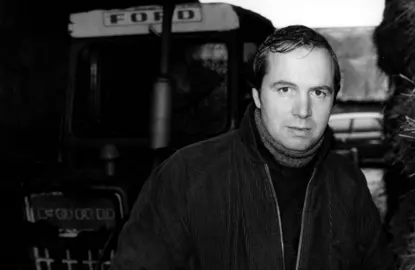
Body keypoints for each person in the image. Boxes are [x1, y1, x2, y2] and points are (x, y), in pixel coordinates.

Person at [111, 25, 396, 270]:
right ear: (258, 96)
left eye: (318, 92)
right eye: (285, 89)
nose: (303, 110)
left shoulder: (348, 183)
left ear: (333, 100)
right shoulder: (186, 176)